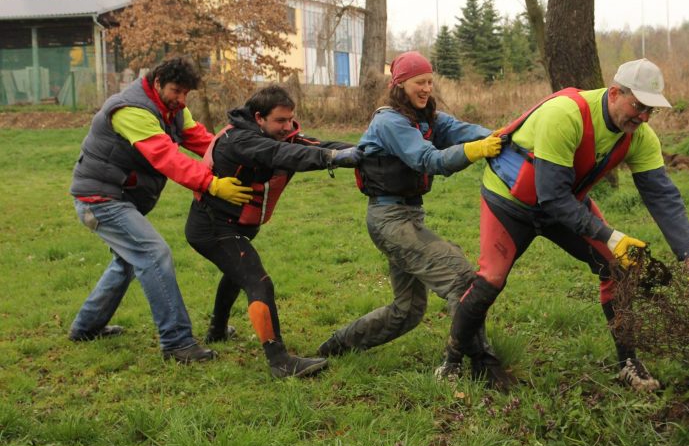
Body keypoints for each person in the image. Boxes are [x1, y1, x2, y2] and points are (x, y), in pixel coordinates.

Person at [438, 58, 689, 392]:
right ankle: (451, 360)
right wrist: (611, 235)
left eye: (652, 110)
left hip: (562, 203)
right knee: (491, 280)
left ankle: (628, 364)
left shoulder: (640, 137)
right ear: (615, 92)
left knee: (617, 267)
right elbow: (551, 196)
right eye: (639, 106)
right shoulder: (566, 114)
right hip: (510, 202)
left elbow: (663, 197)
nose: (644, 117)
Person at [315, 51, 503, 371]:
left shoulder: (426, 119)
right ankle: (473, 362)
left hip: (408, 217)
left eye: (430, 81)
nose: (427, 88)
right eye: (419, 82)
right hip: (390, 220)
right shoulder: (389, 122)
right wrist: (474, 153)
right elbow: (427, 160)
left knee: (408, 311)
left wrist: (502, 136)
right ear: (400, 84)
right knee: (462, 279)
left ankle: (337, 345)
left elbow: (464, 130)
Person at [68, 56, 253, 363]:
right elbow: (166, 158)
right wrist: (211, 184)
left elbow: (203, 141)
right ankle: (177, 343)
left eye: (185, 94)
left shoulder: (173, 110)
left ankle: (86, 327)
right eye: (176, 91)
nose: (181, 99)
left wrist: (236, 157)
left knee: (128, 261)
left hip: (118, 197)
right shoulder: (130, 110)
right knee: (154, 253)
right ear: (156, 83)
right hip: (98, 199)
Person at [184, 84, 362, 379]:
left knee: (236, 273)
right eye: (280, 120)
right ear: (259, 118)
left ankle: (217, 330)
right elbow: (282, 154)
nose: (288, 126)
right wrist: (333, 159)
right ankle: (279, 361)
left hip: (237, 226)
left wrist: (363, 150)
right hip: (212, 229)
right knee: (257, 281)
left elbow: (312, 144)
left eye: (290, 119)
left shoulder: (278, 134)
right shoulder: (239, 140)